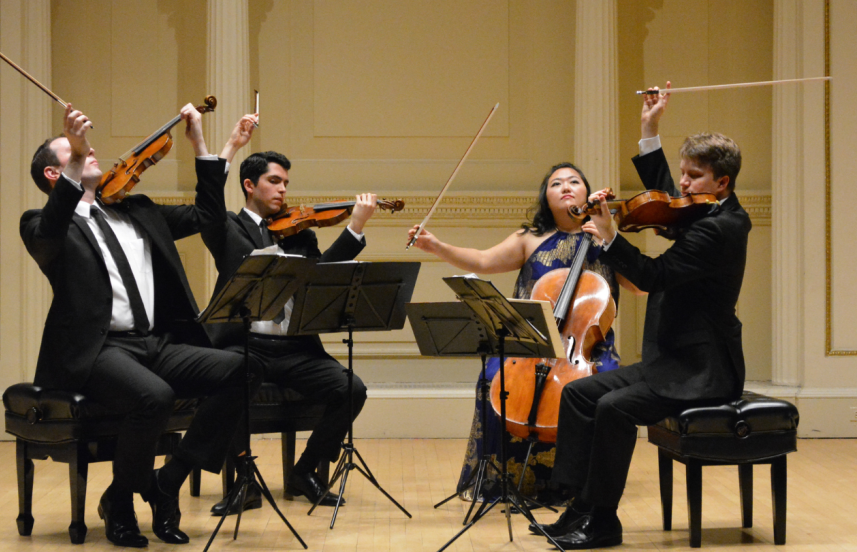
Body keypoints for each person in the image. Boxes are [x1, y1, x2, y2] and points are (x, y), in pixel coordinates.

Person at [22, 104, 248, 547]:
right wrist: (75, 156)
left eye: (86, 150)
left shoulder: (137, 210)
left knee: (242, 369)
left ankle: (169, 480)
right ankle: (121, 504)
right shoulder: (42, 226)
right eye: (75, 152)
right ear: (55, 173)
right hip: (98, 351)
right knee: (154, 396)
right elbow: (50, 231)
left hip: (155, 343)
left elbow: (208, 216)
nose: (91, 153)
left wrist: (200, 144)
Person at [537, 84, 752, 549]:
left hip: (702, 370)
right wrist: (649, 128)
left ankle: (604, 521)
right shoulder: (704, 209)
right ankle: (578, 505)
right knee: (579, 395)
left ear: (723, 183)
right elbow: (665, 199)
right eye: (684, 173)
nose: (684, 185)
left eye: (694, 177)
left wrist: (611, 238)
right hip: (669, 361)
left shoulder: (723, 229)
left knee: (613, 409)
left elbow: (654, 275)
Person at [407, 162, 635, 504]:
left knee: (598, 385)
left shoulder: (608, 240)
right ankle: (503, 479)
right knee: (491, 380)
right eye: (556, 183)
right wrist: (436, 246)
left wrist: (610, 236)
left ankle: (582, 486)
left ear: (588, 193)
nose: (566, 186)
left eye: (574, 181)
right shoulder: (530, 237)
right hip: (533, 344)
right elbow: (483, 261)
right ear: (546, 196)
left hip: (588, 349)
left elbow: (641, 287)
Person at [194, 113, 379, 515]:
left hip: (294, 349)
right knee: (231, 382)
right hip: (245, 345)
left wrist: (355, 228)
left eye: (286, 183)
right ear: (250, 185)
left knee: (352, 388)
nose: (282, 190)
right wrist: (230, 145)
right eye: (274, 181)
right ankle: (244, 481)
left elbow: (322, 278)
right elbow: (207, 204)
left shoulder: (301, 233)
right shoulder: (228, 228)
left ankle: (305, 470)